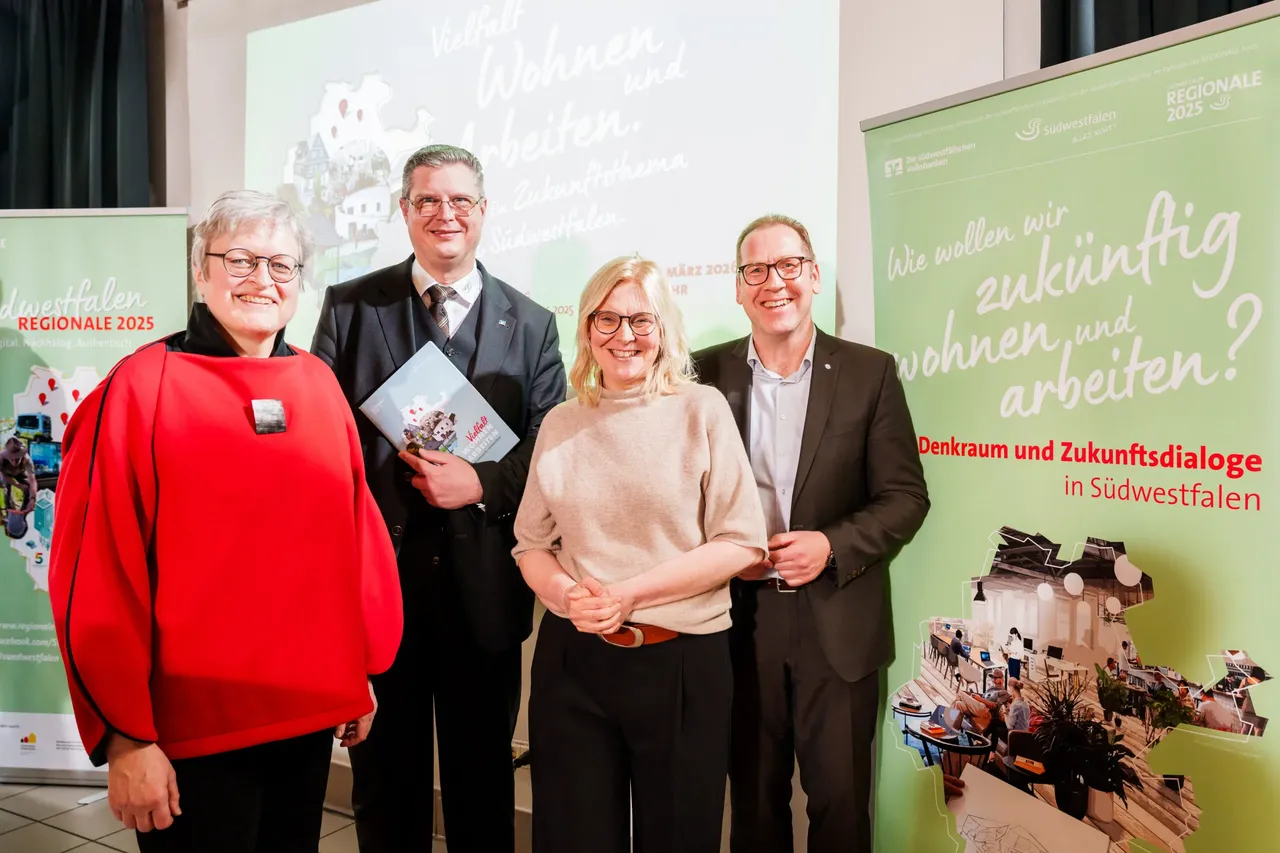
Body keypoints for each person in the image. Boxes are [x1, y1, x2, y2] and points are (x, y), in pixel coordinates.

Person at [46, 190, 404, 853]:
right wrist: (127, 735)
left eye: (281, 264)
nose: (261, 280)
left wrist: (359, 671)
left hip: (304, 714)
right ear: (199, 269)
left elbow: (353, 541)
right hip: (191, 733)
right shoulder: (137, 390)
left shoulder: (321, 387)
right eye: (239, 260)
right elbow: (93, 578)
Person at [311, 143, 566, 852]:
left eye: (459, 200)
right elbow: (321, 440)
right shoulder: (351, 308)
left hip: (487, 595)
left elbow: (552, 450)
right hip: (379, 594)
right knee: (385, 790)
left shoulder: (535, 323)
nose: (444, 213)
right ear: (405, 211)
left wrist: (482, 482)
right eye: (427, 200)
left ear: (483, 212)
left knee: (483, 788)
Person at [512, 255, 769, 853]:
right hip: (574, 664)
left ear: (664, 330)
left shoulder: (700, 409)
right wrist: (566, 595)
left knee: (679, 836)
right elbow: (531, 544)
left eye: (641, 320)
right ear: (586, 329)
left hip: (681, 663)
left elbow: (741, 540)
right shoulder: (560, 422)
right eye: (607, 319)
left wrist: (628, 595)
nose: (624, 336)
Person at [693, 213, 930, 853]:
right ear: (739, 288)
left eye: (789, 266)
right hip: (737, 621)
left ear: (814, 275)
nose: (775, 282)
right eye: (757, 270)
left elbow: (906, 496)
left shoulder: (869, 373)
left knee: (842, 808)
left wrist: (831, 546)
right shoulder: (700, 376)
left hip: (839, 622)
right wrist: (715, 557)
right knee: (754, 806)